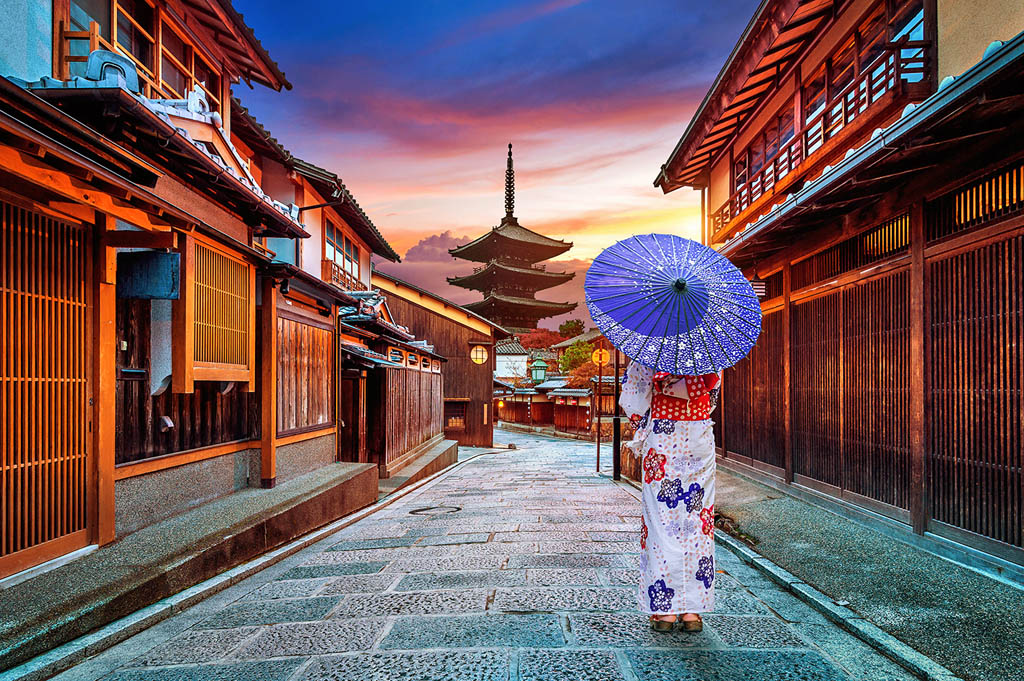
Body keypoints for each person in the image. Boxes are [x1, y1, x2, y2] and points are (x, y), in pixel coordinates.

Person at [619, 362, 720, 632]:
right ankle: (692, 611)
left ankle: (665, 612)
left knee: (661, 521)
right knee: (698, 520)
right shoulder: (708, 352)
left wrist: (645, 421)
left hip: (663, 436)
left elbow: (632, 398)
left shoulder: (652, 349)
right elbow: (710, 400)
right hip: (699, 435)